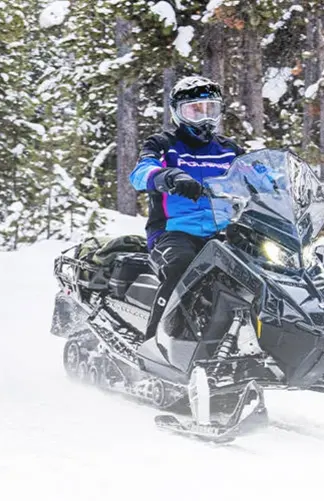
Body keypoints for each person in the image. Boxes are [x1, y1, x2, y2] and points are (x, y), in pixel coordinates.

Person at [128, 76, 244, 340]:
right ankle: (153, 343)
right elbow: (140, 172)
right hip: (174, 232)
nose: (204, 118)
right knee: (181, 266)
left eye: (210, 109)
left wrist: (283, 183)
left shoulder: (229, 150)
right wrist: (169, 176)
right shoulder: (163, 144)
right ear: (178, 113)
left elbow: (257, 174)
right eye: (195, 110)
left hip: (223, 233)